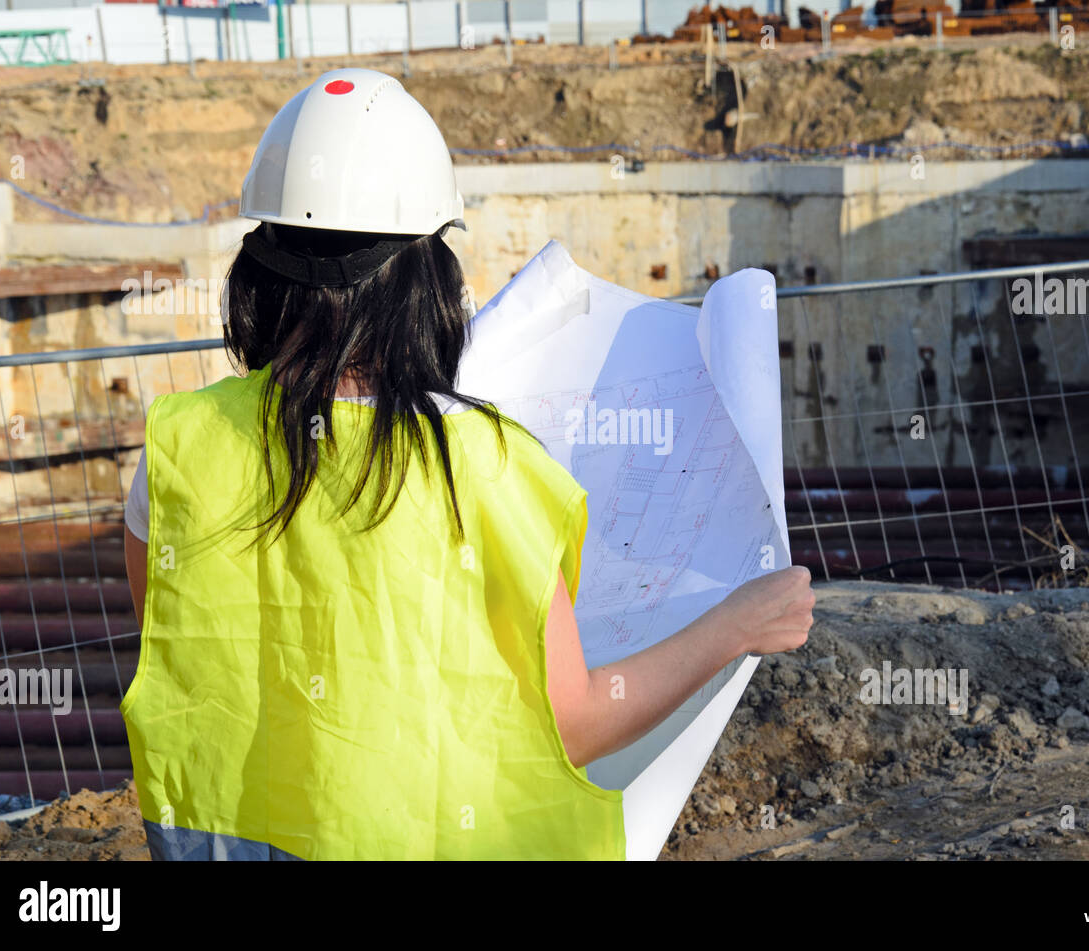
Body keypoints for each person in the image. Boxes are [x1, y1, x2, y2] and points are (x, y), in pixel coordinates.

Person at [120, 67, 813, 861]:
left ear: (260, 272)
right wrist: (736, 623)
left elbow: (192, 661)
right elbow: (573, 723)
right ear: (425, 285)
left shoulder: (177, 447)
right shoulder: (489, 468)